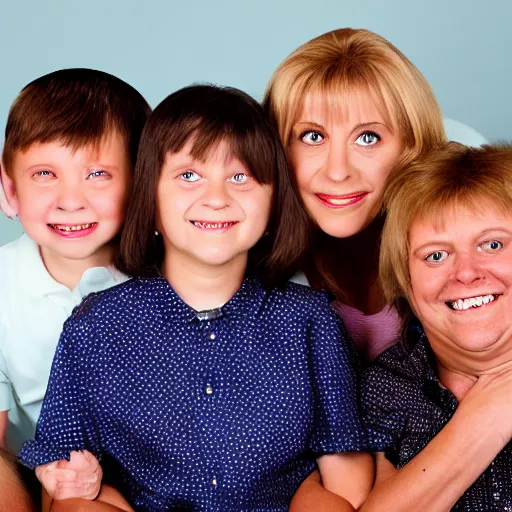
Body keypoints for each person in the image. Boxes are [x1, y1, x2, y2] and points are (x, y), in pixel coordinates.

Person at [19, 84, 373, 512]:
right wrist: (73, 478)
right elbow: (63, 476)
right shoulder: (96, 327)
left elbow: (345, 472)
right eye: (189, 176)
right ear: (148, 198)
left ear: (274, 202)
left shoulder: (308, 320)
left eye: (240, 177)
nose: (216, 198)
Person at [0, 68, 150, 509]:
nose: (70, 200)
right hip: (38, 474)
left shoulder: (169, 279)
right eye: (45, 174)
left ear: (141, 183)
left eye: (98, 174)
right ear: (9, 190)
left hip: (153, 471)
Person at [263, 28, 446, 361]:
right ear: (275, 147)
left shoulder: (471, 260)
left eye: (367, 138)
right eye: (312, 136)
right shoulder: (247, 282)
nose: (337, 171)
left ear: (412, 147)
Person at [360, 142, 512, 510]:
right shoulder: (383, 389)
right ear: (406, 281)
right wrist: (489, 415)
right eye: (436, 255)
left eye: (492, 244)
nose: (466, 273)